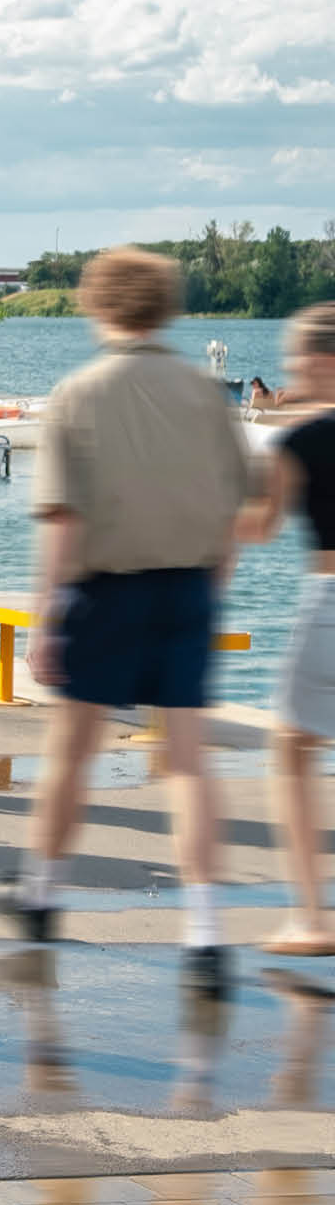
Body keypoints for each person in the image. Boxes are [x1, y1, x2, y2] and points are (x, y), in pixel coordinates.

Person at [0, 248, 249, 996]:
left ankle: (41, 898)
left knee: (71, 756)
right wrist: (210, 589)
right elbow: (236, 509)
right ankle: (205, 936)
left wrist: (45, 618)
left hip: (105, 592)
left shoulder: (80, 393)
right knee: (189, 764)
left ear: (97, 306)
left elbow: (63, 521)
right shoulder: (205, 394)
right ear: (167, 307)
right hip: (188, 590)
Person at [237, 302, 335, 957]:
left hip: (330, 605)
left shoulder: (301, 442)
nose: (292, 370)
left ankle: (312, 918)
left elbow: (259, 527)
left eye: (299, 357)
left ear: (325, 362)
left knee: (292, 750)